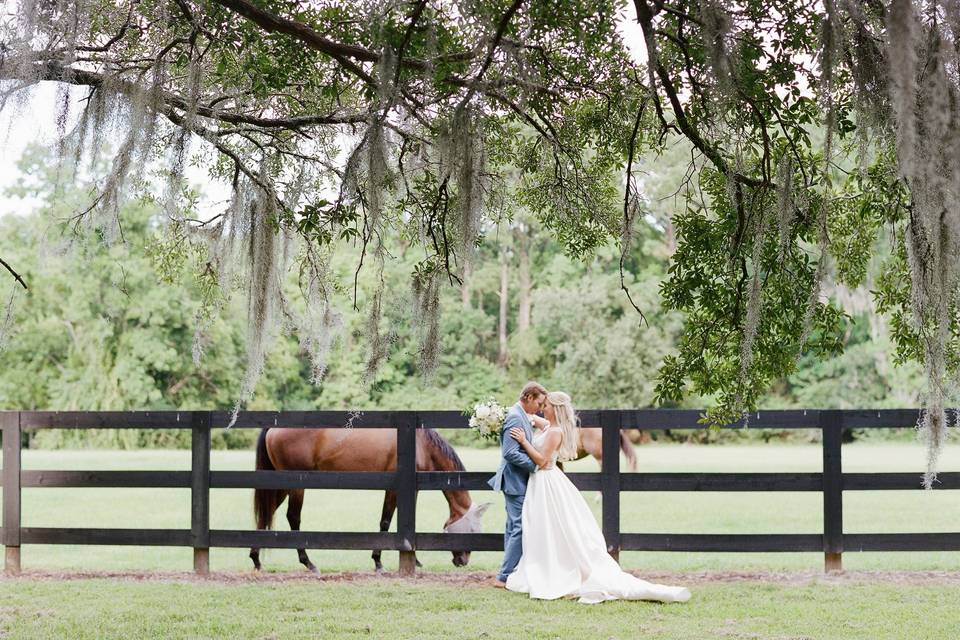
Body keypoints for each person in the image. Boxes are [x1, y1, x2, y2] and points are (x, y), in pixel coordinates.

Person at [505, 391, 691, 605]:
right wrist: (515, 414)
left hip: (546, 480)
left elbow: (541, 460)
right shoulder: (548, 426)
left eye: (545, 405)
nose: (541, 408)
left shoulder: (555, 431)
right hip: (541, 484)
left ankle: (560, 572)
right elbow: (535, 420)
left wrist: (523, 441)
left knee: (553, 525)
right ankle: (545, 566)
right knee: (543, 527)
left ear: (554, 409)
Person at [487, 381, 548, 587]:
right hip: (514, 480)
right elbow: (510, 452)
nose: (540, 408)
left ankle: (509, 572)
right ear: (528, 397)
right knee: (519, 527)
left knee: (513, 525)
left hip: (516, 479)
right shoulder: (515, 417)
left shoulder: (522, 415)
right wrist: (534, 465)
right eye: (539, 403)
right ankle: (503, 576)